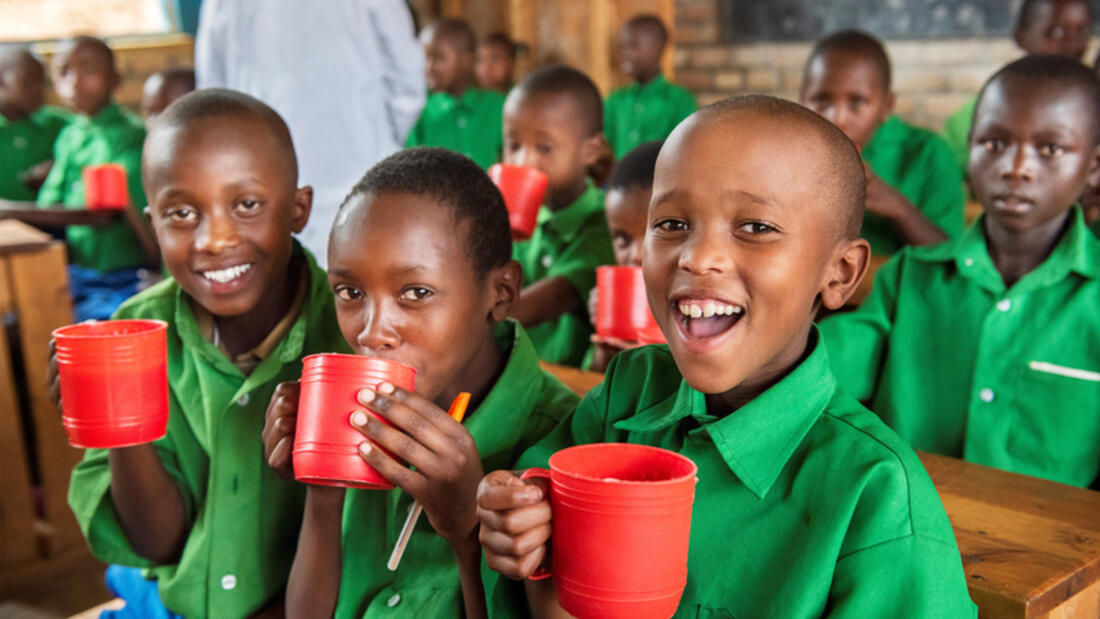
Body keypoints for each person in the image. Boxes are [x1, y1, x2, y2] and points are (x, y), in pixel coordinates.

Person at [477, 95, 976, 617]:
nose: (698, 256)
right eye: (671, 223)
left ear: (841, 274)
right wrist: (517, 517)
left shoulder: (876, 496)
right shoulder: (632, 389)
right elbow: (538, 499)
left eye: (756, 227)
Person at [60, 89, 350, 618]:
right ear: (153, 223)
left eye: (246, 205)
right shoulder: (133, 332)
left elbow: (369, 541)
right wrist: (120, 427)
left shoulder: (351, 334)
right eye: (182, 213)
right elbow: (159, 545)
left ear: (298, 209)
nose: (214, 239)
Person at [262, 147, 579, 618]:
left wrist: (467, 532)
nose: (371, 332)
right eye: (350, 292)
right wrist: (322, 488)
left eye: (415, 293)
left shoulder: (564, 445)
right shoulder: (356, 417)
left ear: (502, 292)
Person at [821, 56, 1100, 489]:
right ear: (969, 148)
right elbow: (821, 369)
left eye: (1050, 148)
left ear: (1094, 167)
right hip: (912, 534)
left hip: (1061, 549)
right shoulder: (910, 278)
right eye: (994, 143)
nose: (1016, 166)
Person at [195, 0, 425, 267]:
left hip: (264, 180)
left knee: (285, 289)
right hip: (361, 168)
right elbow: (407, 85)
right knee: (364, 285)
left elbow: (214, 98)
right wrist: (376, 140)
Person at [801, 30, 964, 255]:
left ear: (886, 106)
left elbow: (951, 257)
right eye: (821, 99)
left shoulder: (929, 153)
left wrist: (897, 208)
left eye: (857, 102)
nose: (836, 118)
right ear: (801, 99)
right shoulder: (788, 152)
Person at [37, 36, 158, 320]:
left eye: (89, 71)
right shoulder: (70, 135)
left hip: (126, 275)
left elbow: (107, 214)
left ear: (115, 80)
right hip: (80, 273)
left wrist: (9, 211)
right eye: (64, 71)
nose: (75, 82)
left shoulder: (130, 136)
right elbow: (49, 204)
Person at [504, 65, 615, 367]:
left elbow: (556, 297)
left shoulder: (604, 223)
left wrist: (469, 323)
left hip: (571, 393)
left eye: (544, 147)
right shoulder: (512, 225)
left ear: (591, 151)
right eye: (513, 145)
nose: (523, 161)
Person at [941, 0, 1095, 179]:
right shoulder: (976, 118)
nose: (1071, 45)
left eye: (1081, 32)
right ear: (1020, 37)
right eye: (1055, 33)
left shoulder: (1092, 110)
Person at [584, 140, 662, 372]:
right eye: (623, 239)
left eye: (655, 232)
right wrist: (606, 344)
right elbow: (592, 385)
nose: (636, 255)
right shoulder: (618, 298)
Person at [405, 18, 505, 170]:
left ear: (466, 60)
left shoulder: (498, 106)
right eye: (425, 58)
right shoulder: (421, 111)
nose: (429, 67)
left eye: (439, 58)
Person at [603, 14, 695, 159]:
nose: (624, 54)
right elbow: (604, 149)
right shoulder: (615, 101)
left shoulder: (679, 101)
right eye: (622, 48)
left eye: (633, 46)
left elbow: (686, 150)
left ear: (658, 48)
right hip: (617, 181)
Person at [0, 46, 69, 201]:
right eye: (28, 79)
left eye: (41, 82)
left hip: (49, 222)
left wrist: (60, 165)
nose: (38, 90)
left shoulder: (59, 125)